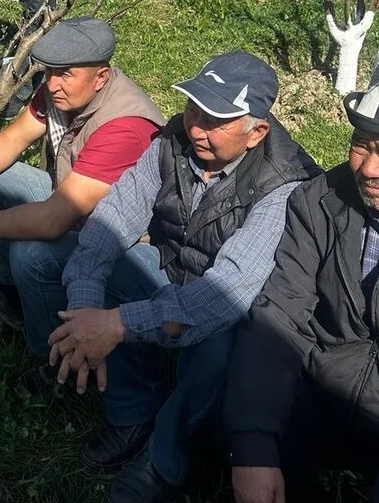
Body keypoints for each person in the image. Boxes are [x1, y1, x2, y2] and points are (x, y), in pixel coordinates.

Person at [49, 52, 320, 503]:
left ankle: (166, 458)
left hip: (235, 309)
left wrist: (117, 324)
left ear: (257, 133)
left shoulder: (284, 186)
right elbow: (109, 223)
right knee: (99, 270)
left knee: (220, 347)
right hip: (173, 271)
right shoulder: (173, 141)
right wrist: (83, 314)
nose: (196, 128)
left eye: (215, 121)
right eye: (194, 109)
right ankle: (132, 411)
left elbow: (226, 295)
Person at [226, 45, 379, 503]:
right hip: (322, 394)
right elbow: (280, 316)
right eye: (361, 144)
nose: (368, 168)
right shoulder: (322, 200)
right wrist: (253, 448)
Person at [0, 18, 165, 354]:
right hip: (73, 198)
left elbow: (52, 221)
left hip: (123, 239)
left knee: (31, 254)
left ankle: (54, 354)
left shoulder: (124, 127)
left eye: (65, 74)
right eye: (49, 72)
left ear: (101, 77)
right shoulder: (61, 93)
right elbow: (13, 139)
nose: (53, 84)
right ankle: (0, 284)